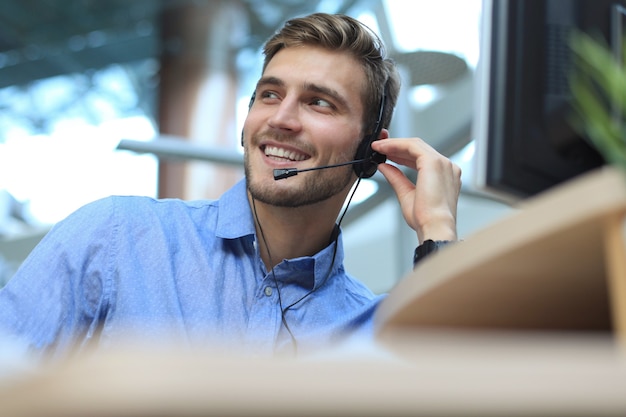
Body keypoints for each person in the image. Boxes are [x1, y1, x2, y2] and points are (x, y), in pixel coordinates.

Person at [0, 13, 461, 358]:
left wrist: (437, 229)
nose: (280, 119)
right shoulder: (115, 236)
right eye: (269, 94)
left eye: (318, 103)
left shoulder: (371, 327)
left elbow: (458, 389)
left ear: (370, 149)